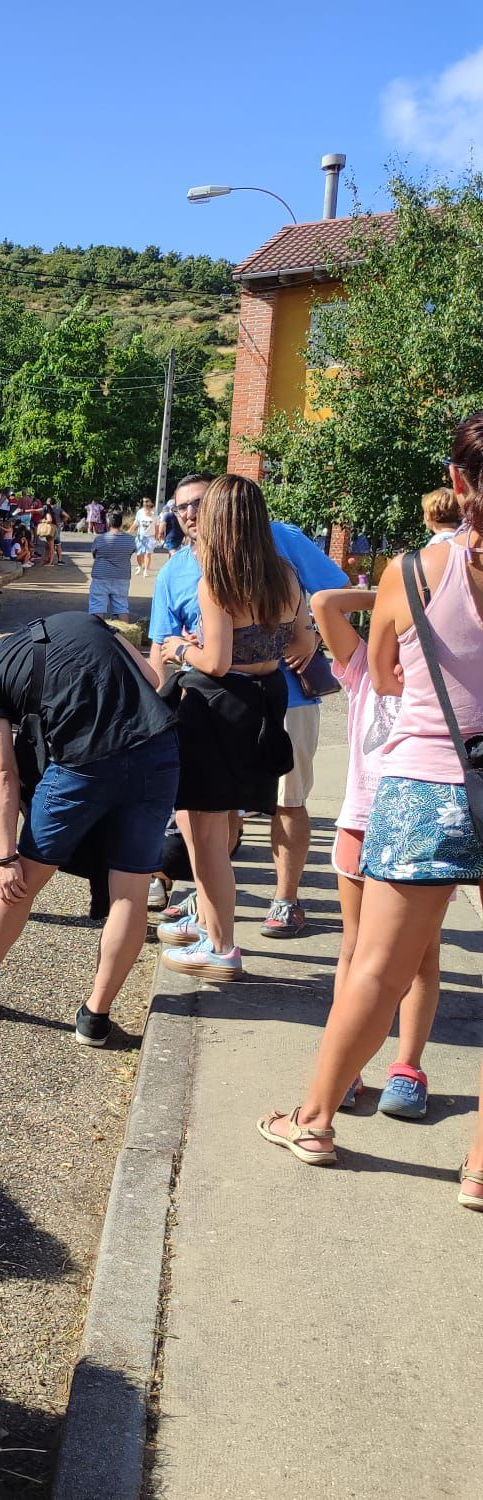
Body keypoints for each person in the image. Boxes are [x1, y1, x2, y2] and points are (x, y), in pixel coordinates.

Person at [259, 411, 483, 1188]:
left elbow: (381, 675)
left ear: (457, 482)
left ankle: (314, 1120)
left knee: (377, 968)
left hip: (424, 780)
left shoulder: (413, 571)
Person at [0, 611, 180, 1046]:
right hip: (155, 754)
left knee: (22, 880)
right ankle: (96, 1017)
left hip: (81, 768)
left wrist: (5, 855)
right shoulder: (84, 620)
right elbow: (150, 678)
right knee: (131, 891)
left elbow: (0, 772)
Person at [152, 471, 346, 940]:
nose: (192, 514)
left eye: (201, 503)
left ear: (221, 510)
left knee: (280, 803)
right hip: (249, 698)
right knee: (225, 814)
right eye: (182, 508)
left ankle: (278, 902)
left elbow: (330, 595)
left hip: (267, 700)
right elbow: (163, 639)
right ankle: (212, 903)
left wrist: (185, 648)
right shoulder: (180, 568)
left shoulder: (279, 544)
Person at [311, 584, 441, 1118]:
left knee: (421, 956)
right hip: (363, 823)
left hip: (417, 822)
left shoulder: (444, 673)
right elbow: (324, 604)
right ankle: (347, 1070)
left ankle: (407, 1068)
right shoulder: (363, 666)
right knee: (356, 948)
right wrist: (391, 592)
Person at [87, 517, 138, 619]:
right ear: (121, 523)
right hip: (122, 576)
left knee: (97, 607)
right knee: (121, 607)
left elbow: (94, 554)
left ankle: (97, 632)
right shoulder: (130, 539)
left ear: (108, 522)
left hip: (101, 576)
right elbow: (132, 552)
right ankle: (124, 633)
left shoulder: (100, 539)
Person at [133, 499, 159, 578]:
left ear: (151, 508)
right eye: (146, 507)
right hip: (140, 536)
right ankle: (140, 567)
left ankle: (146, 570)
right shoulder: (140, 514)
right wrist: (130, 531)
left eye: (149, 508)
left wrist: (157, 535)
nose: (148, 509)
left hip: (150, 537)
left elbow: (157, 526)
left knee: (148, 554)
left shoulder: (155, 517)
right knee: (139, 554)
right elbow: (135, 524)